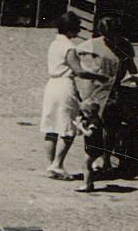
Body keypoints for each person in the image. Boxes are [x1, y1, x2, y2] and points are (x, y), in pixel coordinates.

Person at [71, 13, 132, 192]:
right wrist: (85, 70)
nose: (108, 40)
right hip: (96, 92)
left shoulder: (125, 45)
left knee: (111, 127)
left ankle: (106, 160)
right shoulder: (94, 43)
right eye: (106, 36)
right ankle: (96, 160)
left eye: (111, 35)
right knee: (96, 126)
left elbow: (132, 68)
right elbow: (74, 52)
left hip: (116, 92)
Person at [43, 11, 85, 179]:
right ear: (70, 30)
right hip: (65, 85)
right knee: (68, 127)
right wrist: (98, 75)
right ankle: (58, 164)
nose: (79, 31)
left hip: (51, 85)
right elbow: (79, 71)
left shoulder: (54, 44)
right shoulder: (69, 47)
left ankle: (51, 164)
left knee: (51, 126)